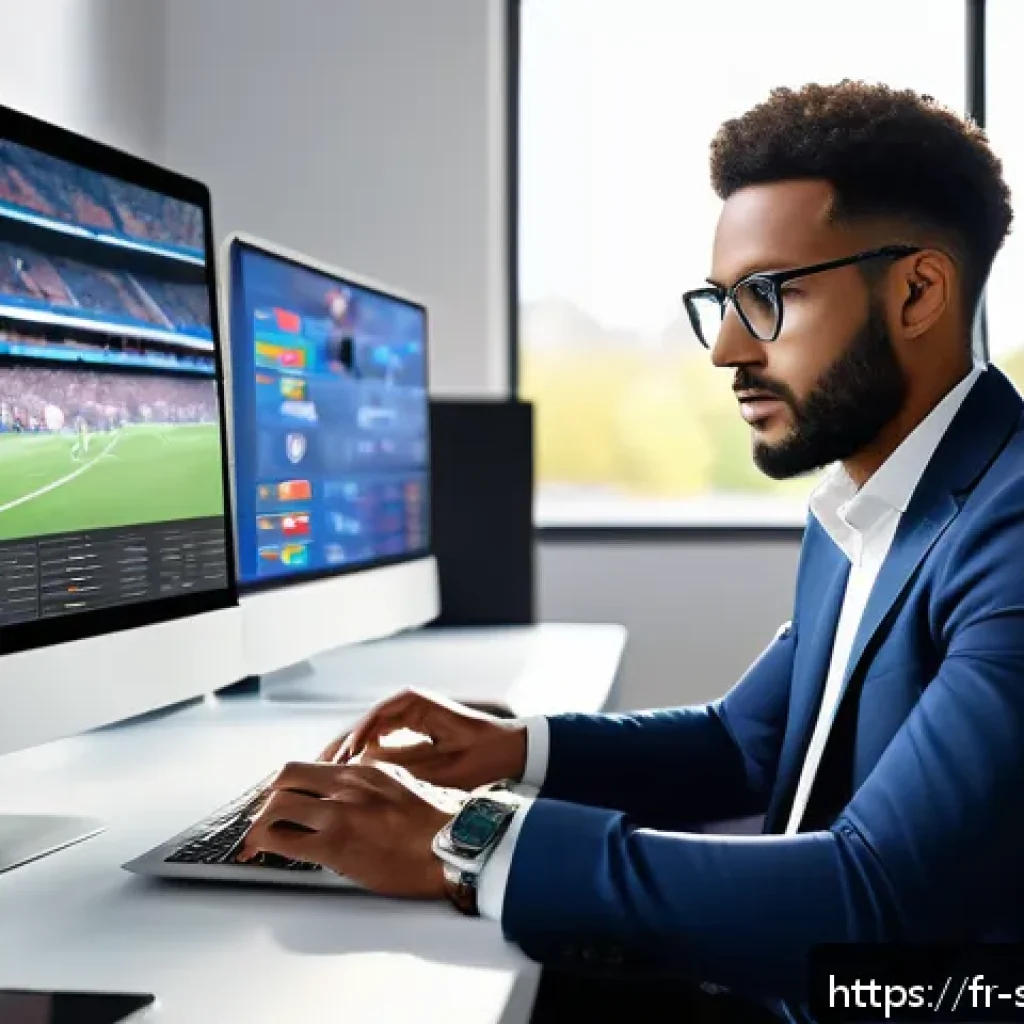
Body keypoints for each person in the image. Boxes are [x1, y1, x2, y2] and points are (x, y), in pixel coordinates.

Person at [238, 81, 1024, 1023]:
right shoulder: (861, 502)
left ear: (918, 291)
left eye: (769, 295)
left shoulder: (1009, 530)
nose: (727, 346)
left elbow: (872, 899)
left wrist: (468, 842)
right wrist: (513, 749)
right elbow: (745, 743)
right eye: (722, 300)